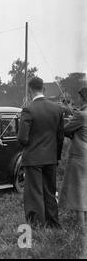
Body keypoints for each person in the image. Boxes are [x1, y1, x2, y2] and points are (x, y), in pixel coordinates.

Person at [17, 77, 64, 228]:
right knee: (50, 192)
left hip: (33, 159)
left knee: (34, 193)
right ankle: (53, 223)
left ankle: (37, 225)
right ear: (43, 89)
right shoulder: (57, 109)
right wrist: (56, 156)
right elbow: (60, 137)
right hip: (51, 158)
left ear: (30, 91)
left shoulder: (28, 109)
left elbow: (22, 138)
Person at [59, 87, 87, 229]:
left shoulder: (82, 115)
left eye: (80, 98)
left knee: (78, 189)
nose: (78, 100)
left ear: (83, 98)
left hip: (80, 156)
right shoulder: (81, 114)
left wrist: (70, 122)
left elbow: (66, 130)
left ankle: (80, 225)